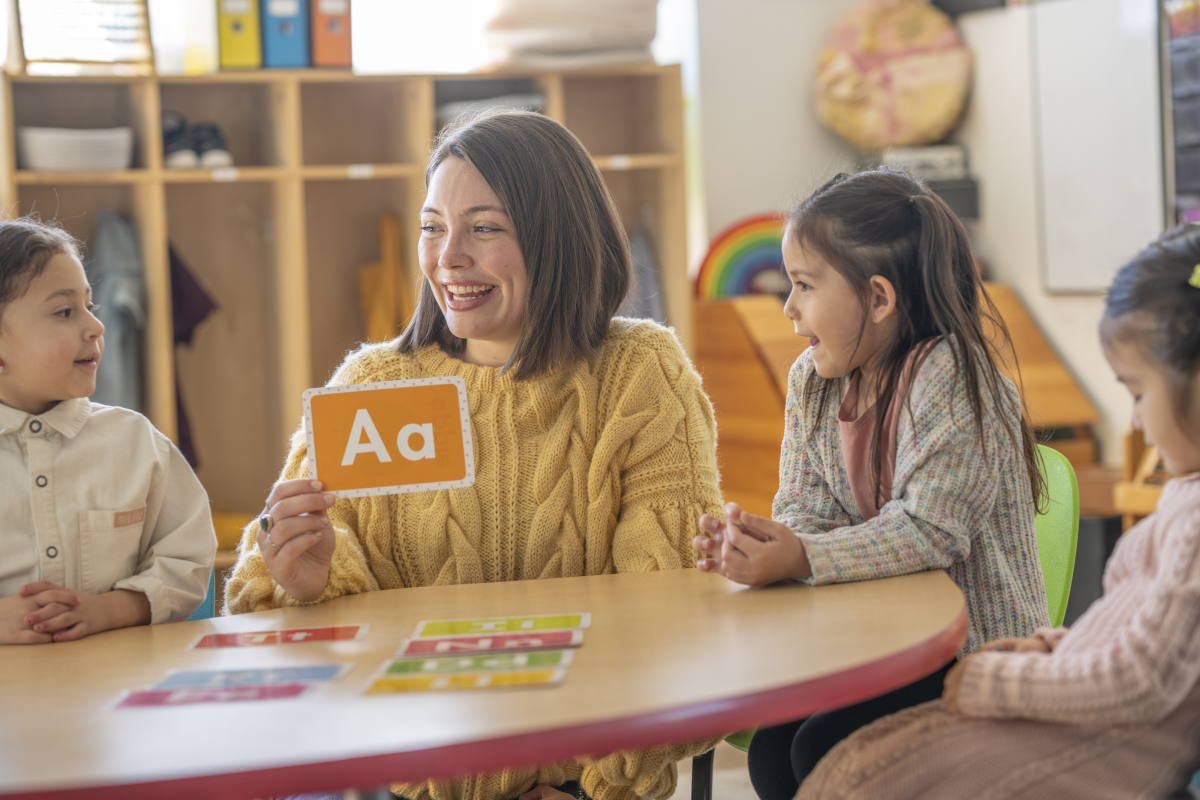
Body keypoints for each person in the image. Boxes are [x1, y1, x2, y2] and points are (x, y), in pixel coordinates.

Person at [225, 110, 724, 800]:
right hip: (398, 783)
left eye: (484, 228)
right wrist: (304, 581)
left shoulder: (640, 373)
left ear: (558, 237)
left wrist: (600, 789)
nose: (447, 256)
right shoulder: (372, 382)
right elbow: (268, 611)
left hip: (583, 783)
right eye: (432, 227)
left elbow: (680, 618)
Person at [796, 225, 1200, 800]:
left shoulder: (1193, 522)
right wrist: (1056, 647)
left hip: (1103, 749)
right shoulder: (1183, 500)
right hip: (1068, 705)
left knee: (859, 777)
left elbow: (1143, 676)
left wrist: (999, 680)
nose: (1133, 422)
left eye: (1137, 393)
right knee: (845, 764)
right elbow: (1143, 633)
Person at [692, 169, 1050, 800]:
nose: (788, 307)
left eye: (803, 285)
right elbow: (806, 504)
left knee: (822, 748)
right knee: (775, 750)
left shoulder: (955, 381)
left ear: (879, 299)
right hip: (872, 640)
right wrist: (764, 544)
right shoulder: (815, 379)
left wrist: (802, 555)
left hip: (972, 658)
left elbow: (930, 531)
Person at [0, 217, 215, 644]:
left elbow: (187, 558)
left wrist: (111, 609)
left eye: (89, 306)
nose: (97, 327)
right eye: (64, 311)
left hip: (118, 689)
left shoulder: (136, 441)